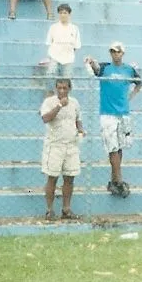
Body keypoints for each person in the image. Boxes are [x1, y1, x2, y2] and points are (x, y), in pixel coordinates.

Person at [85, 43, 142, 197]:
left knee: (120, 146)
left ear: (123, 53)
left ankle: (114, 180)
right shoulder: (105, 68)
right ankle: (119, 180)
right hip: (107, 113)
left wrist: (130, 97)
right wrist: (91, 61)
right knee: (112, 147)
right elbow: (95, 69)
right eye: (112, 52)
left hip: (123, 113)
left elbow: (139, 83)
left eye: (118, 52)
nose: (115, 54)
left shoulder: (129, 69)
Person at [40, 78, 85, 220]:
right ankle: (49, 210)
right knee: (52, 177)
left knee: (69, 178)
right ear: (55, 88)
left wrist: (81, 130)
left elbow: (78, 119)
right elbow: (45, 118)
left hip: (71, 145)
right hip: (55, 145)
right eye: (59, 88)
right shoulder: (49, 102)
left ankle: (66, 209)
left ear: (69, 89)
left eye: (64, 88)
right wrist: (59, 105)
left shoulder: (75, 103)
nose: (61, 91)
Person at [45, 3, 81, 86]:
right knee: (50, 77)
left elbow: (76, 46)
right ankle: (49, 96)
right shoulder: (53, 27)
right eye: (61, 13)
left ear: (69, 14)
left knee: (67, 81)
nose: (63, 15)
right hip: (54, 57)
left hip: (68, 59)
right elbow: (49, 43)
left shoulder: (74, 28)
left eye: (65, 13)